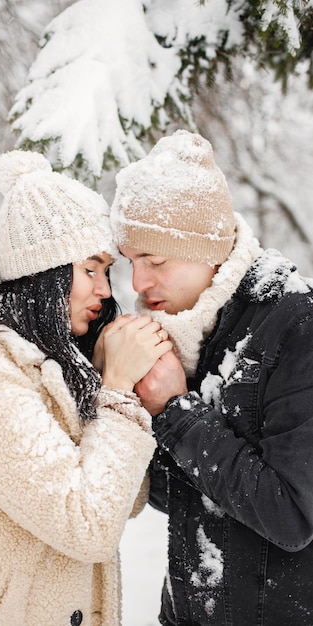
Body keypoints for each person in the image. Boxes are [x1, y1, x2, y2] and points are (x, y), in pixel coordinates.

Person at [0, 150, 173, 626]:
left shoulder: (44, 364)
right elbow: (88, 523)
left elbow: (126, 498)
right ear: (45, 273)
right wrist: (117, 391)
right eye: (90, 269)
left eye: (106, 271)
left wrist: (105, 382)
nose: (106, 290)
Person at [110, 129, 313, 626]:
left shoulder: (296, 323)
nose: (138, 282)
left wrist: (176, 413)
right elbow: (183, 496)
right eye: (132, 262)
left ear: (209, 249)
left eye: (155, 261)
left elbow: (293, 515)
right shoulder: (192, 325)